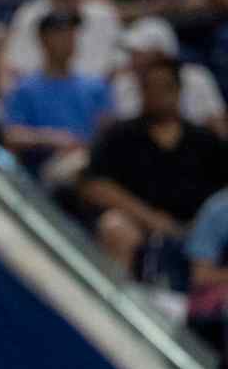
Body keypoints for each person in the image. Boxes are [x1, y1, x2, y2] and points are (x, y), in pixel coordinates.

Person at [80, 58, 228, 274]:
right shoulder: (120, 135)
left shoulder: (205, 141)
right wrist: (151, 218)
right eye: (150, 87)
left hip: (196, 230)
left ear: (178, 90)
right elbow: (95, 187)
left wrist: (196, 227)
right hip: (136, 222)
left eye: (164, 87)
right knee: (115, 227)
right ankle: (117, 300)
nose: (157, 94)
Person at [1, 11, 112, 177]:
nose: (70, 39)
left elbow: (107, 130)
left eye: (72, 33)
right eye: (61, 34)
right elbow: (12, 135)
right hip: (46, 168)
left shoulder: (95, 86)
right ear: (43, 39)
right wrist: (52, 138)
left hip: (92, 164)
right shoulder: (25, 89)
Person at [1, 0, 121, 90]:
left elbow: (116, 66)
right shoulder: (30, 15)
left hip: (95, 96)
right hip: (43, 96)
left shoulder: (105, 15)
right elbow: (17, 67)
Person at [111, 17, 227, 137]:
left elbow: (217, 123)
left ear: (162, 54)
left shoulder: (197, 77)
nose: (132, 60)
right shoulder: (122, 83)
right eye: (131, 53)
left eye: (138, 54)